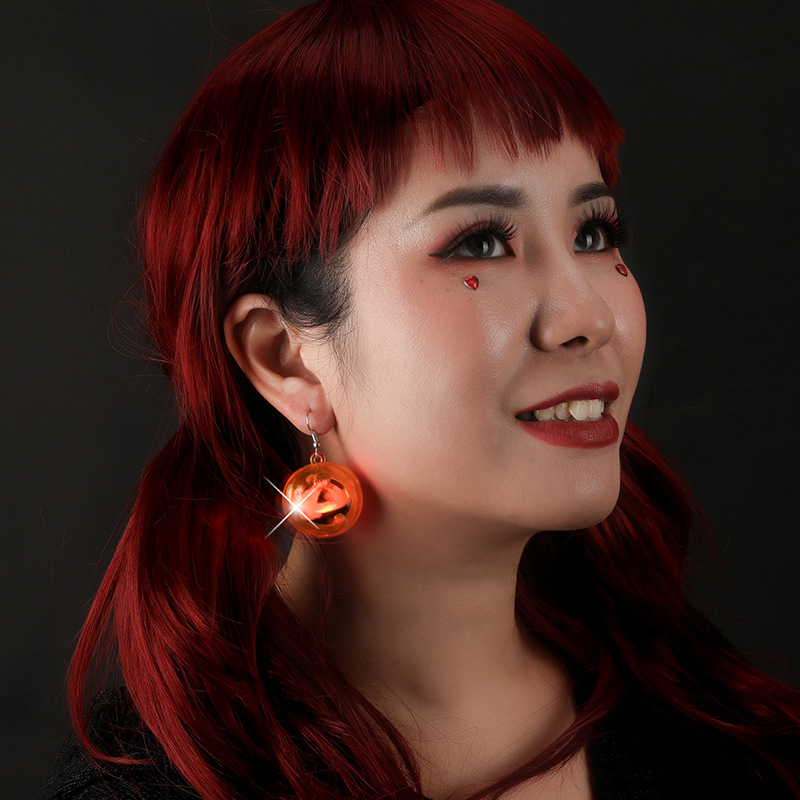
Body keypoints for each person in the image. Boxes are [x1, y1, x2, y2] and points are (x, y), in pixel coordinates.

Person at [45, 0, 800, 798]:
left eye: (593, 233)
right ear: (284, 358)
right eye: (482, 243)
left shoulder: (712, 733)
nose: (588, 317)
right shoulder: (159, 785)